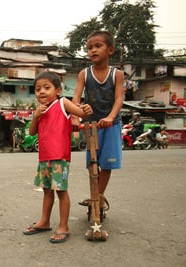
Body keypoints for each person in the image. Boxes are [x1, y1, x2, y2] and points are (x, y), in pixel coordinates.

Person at [23, 71, 93, 243]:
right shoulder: (41, 110)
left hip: (59, 157)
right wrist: (36, 115)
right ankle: (44, 222)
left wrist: (86, 109)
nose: (42, 92)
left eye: (47, 87)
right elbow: (32, 132)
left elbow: (82, 113)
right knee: (47, 191)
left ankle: (64, 226)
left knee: (61, 191)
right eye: (38, 89)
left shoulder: (62, 103)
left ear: (58, 90)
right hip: (44, 158)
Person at [71, 30, 124, 209]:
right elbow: (76, 98)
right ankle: (95, 194)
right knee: (92, 163)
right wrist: (75, 116)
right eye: (89, 48)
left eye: (97, 46)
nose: (92, 50)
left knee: (106, 163)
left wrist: (110, 117)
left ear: (110, 50)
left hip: (111, 124)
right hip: (92, 124)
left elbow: (119, 99)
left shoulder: (117, 74)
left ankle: (98, 197)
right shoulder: (84, 74)